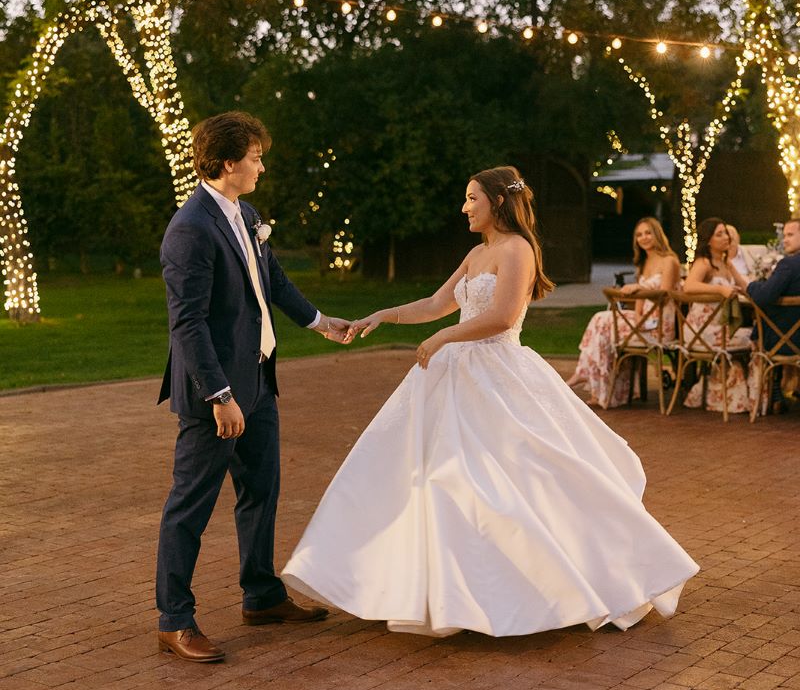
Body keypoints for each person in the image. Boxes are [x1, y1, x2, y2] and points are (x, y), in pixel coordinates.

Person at [283, 168, 699, 639]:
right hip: (453, 375)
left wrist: (446, 335)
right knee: (436, 478)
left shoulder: (518, 249)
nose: (464, 207)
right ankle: (450, 592)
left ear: (497, 202)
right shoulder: (476, 253)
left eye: (471, 198)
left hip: (498, 373)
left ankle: (547, 587)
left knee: (511, 477)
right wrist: (383, 315)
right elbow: (436, 303)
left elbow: (501, 317)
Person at [156, 111, 351, 662]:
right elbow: (187, 324)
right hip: (217, 394)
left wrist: (319, 321)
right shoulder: (190, 230)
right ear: (228, 163)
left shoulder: (245, 213)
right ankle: (174, 620)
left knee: (262, 492)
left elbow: (273, 282)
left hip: (259, 380)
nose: (262, 165)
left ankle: (261, 596)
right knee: (189, 506)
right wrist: (219, 396)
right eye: (256, 157)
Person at [566, 217, 681, 407]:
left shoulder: (669, 260)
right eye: (639, 235)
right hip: (642, 319)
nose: (643, 238)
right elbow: (639, 300)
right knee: (602, 327)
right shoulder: (643, 263)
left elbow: (666, 295)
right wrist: (636, 316)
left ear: (657, 234)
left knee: (602, 321)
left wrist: (638, 288)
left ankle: (586, 377)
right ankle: (601, 391)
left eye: (647, 233)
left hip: (660, 323)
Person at [681, 217, 752, 413]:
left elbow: (747, 287)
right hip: (701, 329)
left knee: (752, 336)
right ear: (708, 240)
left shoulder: (725, 264)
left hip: (719, 326)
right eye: (719, 234)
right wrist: (720, 291)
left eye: (726, 233)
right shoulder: (705, 263)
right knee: (755, 338)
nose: (725, 237)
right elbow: (689, 286)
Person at [747, 218, 800, 414]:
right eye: (784, 235)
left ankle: (770, 391)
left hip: (785, 341)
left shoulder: (789, 265)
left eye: (790, 235)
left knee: (754, 334)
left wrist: (751, 285)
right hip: (793, 335)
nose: (784, 240)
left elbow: (762, 297)